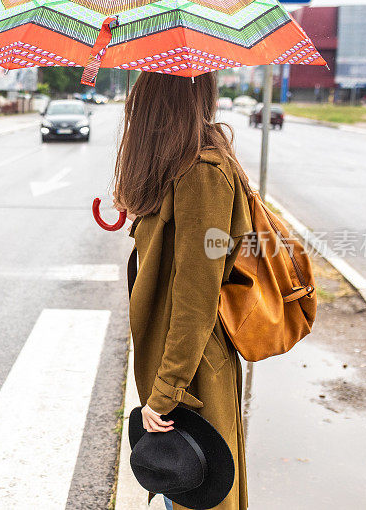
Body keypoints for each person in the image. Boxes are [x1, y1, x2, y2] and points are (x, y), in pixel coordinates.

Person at [113, 72, 252, 510]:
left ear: (155, 108)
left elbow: (197, 297)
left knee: (200, 496)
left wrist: (166, 392)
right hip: (181, 363)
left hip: (193, 373)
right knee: (186, 495)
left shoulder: (203, 175)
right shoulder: (179, 169)